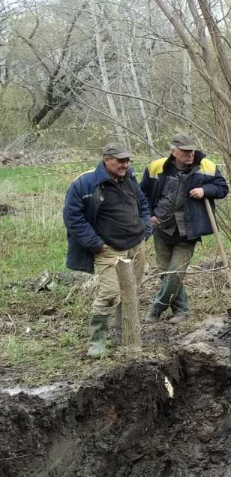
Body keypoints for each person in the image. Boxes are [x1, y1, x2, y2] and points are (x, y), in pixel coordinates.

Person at [64, 142, 151, 358]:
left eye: (127, 160)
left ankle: (126, 337)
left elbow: (143, 204)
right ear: (106, 159)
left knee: (130, 293)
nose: (125, 164)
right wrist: (95, 244)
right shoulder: (85, 183)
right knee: (111, 293)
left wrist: (146, 227)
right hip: (109, 249)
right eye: (120, 160)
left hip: (136, 245)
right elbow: (73, 219)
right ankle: (98, 341)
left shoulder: (129, 178)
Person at [140, 132, 229, 323]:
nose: (190, 155)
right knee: (165, 273)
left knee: (174, 273)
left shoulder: (207, 167)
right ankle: (182, 310)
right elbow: (143, 194)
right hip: (161, 227)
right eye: (185, 151)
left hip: (187, 230)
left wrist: (205, 190)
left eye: (192, 151)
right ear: (173, 152)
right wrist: (149, 215)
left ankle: (156, 308)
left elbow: (223, 188)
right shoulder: (156, 167)